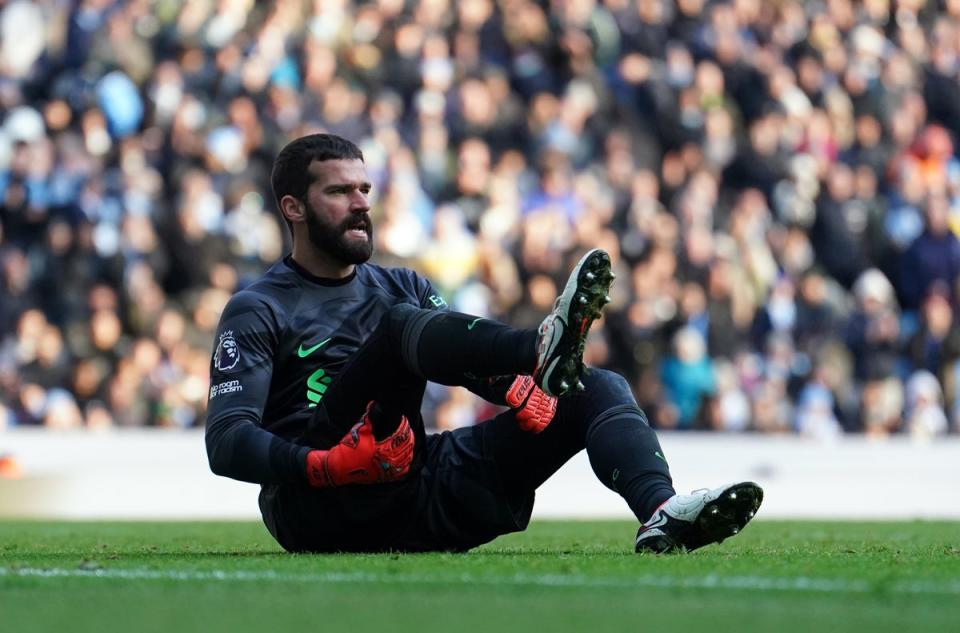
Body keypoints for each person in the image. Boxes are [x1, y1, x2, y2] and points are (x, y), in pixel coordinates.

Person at [204, 133, 763, 554]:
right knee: (401, 327)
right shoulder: (259, 306)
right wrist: (320, 465)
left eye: (364, 189)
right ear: (292, 208)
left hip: (412, 487)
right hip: (317, 502)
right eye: (339, 191)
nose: (360, 203)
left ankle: (662, 514)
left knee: (598, 388)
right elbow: (226, 442)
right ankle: (539, 347)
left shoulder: (404, 283)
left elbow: (470, 363)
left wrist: (515, 388)